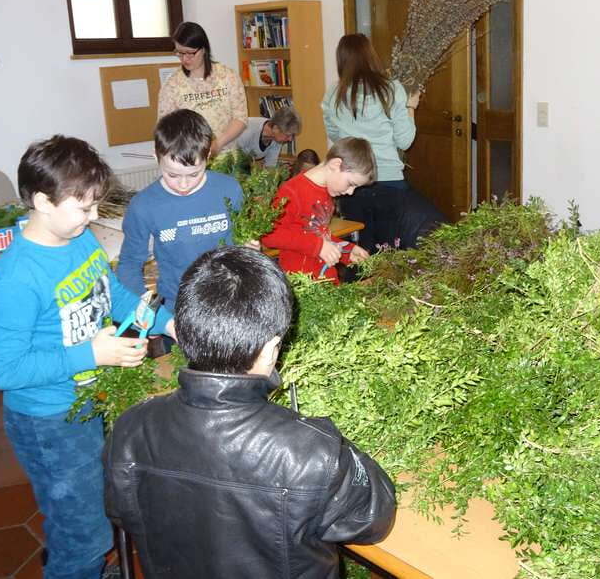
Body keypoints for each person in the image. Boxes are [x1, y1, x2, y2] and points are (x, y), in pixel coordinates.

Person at [104, 246, 396, 579]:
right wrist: (333, 443)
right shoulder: (313, 453)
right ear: (271, 350)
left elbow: (121, 512)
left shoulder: (129, 429)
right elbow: (374, 519)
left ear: (182, 334)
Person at [0, 135, 174, 579]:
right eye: (83, 207)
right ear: (41, 201)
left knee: (81, 509)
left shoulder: (81, 240)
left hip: (86, 400)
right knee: (85, 534)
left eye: (95, 206)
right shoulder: (15, 277)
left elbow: (115, 297)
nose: (93, 217)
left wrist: (167, 323)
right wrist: (93, 353)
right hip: (48, 420)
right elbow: (4, 370)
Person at [117, 109, 243, 308]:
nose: (183, 185)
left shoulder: (229, 189)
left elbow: (241, 242)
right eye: (173, 175)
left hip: (228, 300)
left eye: (194, 174)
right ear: (156, 157)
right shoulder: (144, 205)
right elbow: (129, 264)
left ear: (208, 155)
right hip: (177, 305)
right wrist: (147, 310)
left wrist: (251, 250)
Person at [321, 34, 421, 253]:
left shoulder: (334, 93)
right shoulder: (391, 89)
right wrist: (411, 107)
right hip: (389, 180)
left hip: (350, 182)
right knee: (389, 250)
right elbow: (405, 141)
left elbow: (335, 136)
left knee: (358, 250)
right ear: (371, 55)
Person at [261, 137, 373, 283]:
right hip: (301, 283)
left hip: (325, 278)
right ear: (335, 164)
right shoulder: (292, 191)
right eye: (351, 184)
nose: (351, 192)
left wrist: (346, 250)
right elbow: (269, 236)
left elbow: (317, 233)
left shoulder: (326, 191)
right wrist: (318, 247)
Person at [158, 21, 247, 156]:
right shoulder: (172, 85)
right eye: (179, 53)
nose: (184, 59)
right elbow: (165, 129)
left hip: (228, 155)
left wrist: (218, 144)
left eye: (190, 53)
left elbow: (240, 117)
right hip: (190, 157)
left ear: (204, 49)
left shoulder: (228, 76)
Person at [234, 105, 301, 167]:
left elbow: (270, 165)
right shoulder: (247, 129)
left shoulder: (276, 140)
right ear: (275, 128)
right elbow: (232, 158)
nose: (290, 139)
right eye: (288, 135)